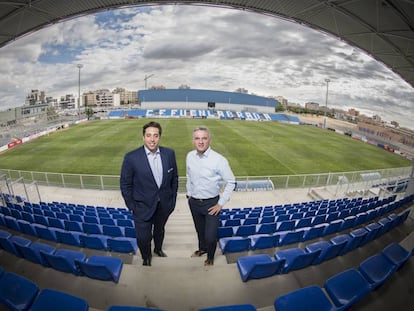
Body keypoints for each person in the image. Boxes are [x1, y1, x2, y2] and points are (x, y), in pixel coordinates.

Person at [120, 121, 178, 266]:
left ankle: (158, 249)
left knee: (160, 231)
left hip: (163, 206)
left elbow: (174, 179)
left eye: (155, 136)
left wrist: (172, 201)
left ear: (160, 137)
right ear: (143, 137)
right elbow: (125, 184)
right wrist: (132, 206)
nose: (152, 139)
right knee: (143, 238)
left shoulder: (169, 154)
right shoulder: (131, 157)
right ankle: (146, 257)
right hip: (142, 207)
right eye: (149, 135)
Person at [186, 126, 236, 266]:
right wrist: (189, 194)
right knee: (199, 231)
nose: (200, 142)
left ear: (209, 140)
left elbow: (231, 181)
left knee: (210, 236)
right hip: (194, 203)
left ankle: (210, 257)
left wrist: (221, 203)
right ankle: (202, 249)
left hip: (211, 204)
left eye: (204, 138)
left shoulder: (219, 160)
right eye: (197, 138)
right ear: (193, 141)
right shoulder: (190, 156)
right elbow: (189, 176)